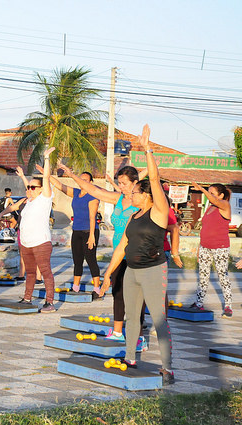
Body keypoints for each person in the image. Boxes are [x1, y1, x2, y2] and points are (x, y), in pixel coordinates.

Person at [102, 124, 174, 384]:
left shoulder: (158, 211)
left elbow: (154, 179)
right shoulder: (133, 214)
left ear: (145, 195)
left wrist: (147, 150)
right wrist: (108, 274)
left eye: (133, 191)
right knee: (132, 316)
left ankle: (167, 366)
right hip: (131, 271)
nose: (128, 194)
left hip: (154, 270)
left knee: (158, 319)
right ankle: (130, 356)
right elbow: (122, 246)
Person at [60, 163, 144, 345]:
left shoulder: (143, 202)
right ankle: (117, 331)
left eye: (123, 183)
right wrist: (72, 175)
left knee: (137, 297)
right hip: (118, 253)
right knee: (118, 293)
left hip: (136, 254)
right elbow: (94, 190)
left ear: (135, 183)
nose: (120, 186)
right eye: (119, 183)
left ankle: (137, 335)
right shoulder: (118, 199)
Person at [0, 147, 57, 313]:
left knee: (45, 272)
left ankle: (49, 302)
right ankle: (27, 298)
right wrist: (23, 177)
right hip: (26, 243)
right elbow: (20, 197)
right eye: (28, 187)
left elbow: (45, 178)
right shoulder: (27, 201)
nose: (29, 189)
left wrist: (47, 158)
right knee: (30, 273)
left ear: (42, 189)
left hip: (41, 242)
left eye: (33, 188)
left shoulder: (45, 199)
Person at [49, 169, 101, 296]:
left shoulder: (93, 195)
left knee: (90, 259)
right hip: (76, 231)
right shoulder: (77, 193)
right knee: (77, 260)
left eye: (85, 180)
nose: (82, 182)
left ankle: (97, 289)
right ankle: (76, 286)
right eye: (81, 179)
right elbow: (60, 186)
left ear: (91, 182)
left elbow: (92, 217)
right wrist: (46, 174)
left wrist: (92, 236)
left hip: (90, 231)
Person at [191, 181, 233, 318]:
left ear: (221, 196)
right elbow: (205, 228)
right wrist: (199, 249)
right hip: (205, 247)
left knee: (222, 276)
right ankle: (198, 303)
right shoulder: (210, 208)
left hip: (220, 248)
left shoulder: (225, 206)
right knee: (203, 276)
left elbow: (213, 199)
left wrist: (202, 190)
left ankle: (228, 306)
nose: (209, 196)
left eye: (212, 193)